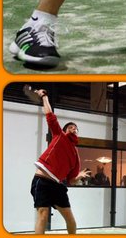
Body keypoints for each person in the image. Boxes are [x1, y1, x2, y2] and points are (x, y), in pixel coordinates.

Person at [30, 88, 81, 234]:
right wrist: (44, 97)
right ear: (65, 130)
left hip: (58, 186)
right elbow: (49, 114)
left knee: (71, 220)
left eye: (76, 128)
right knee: (43, 215)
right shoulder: (59, 135)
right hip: (43, 180)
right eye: (71, 127)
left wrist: (79, 178)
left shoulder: (76, 155)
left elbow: (71, 180)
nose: (74, 129)